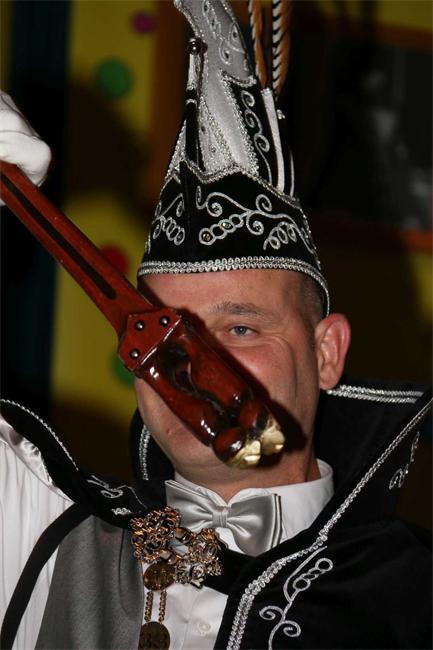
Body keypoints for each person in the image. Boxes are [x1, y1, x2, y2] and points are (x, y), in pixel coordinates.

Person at [1, 1, 431, 649]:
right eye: (159, 330)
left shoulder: (417, 597)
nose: (184, 366)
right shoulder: (39, 523)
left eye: (240, 328)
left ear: (326, 352)